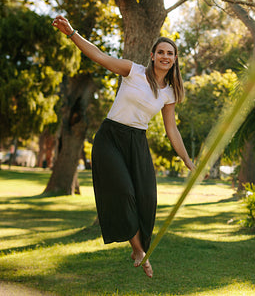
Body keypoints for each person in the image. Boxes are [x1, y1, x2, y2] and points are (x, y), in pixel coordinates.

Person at [52, 15, 195, 278]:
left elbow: (171, 129)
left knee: (147, 198)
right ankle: (138, 250)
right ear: (152, 55)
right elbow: (99, 56)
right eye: (161, 52)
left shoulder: (169, 92)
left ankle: (138, 247)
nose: (165, 56)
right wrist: (71, 32)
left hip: (137, 141)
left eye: (170, 53)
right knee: (125, 192)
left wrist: (187, 159)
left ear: (174, 59)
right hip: (110, 138)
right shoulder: (134, 71)